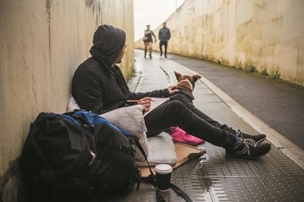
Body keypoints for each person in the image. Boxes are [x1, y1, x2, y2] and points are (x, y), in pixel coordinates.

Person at [72, 24, 271, 159]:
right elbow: (95, 119)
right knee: (176, 107)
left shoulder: (110, 69)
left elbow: (126, 97)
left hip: (131, 116)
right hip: (124, 129)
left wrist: (164, 92)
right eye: (123, 47)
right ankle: (235, 145)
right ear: (112, 48)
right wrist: (133, 109)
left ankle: (233, 135)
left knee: (177, 98)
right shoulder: (88, 74)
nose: (125, 50)